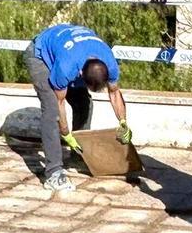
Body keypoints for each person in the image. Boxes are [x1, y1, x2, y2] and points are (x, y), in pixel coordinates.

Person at [23, 24, 131, 192]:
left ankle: (78, 155)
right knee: (51, 110)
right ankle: (53, 173)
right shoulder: (66, 68)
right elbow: (60, 103)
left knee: (84, 103)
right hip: (40, 56)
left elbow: (115, 93)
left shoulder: (110, 62)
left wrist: (123, 122)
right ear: (80, 74)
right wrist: (66, 133)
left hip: (68, 51)